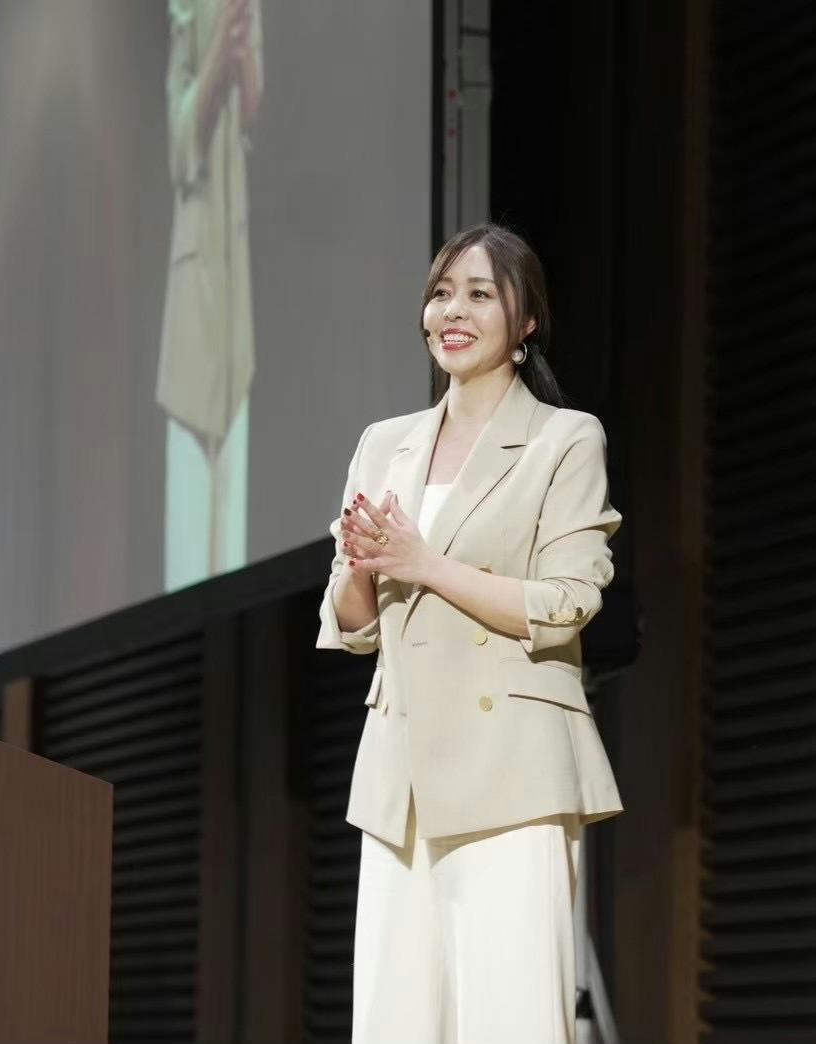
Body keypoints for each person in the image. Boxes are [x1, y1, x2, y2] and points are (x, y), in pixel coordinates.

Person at [316, 223, 624, 1043]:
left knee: (509, 1018)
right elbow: (353, 626)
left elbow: (567, 602)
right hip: (400, 777)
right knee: (394, 1021)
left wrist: (422, 563)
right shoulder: (385, 444)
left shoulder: (565, 438)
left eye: (480, 294)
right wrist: (360, 566)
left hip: (511, 768)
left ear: (526, 322)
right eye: (441, 293)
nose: (452, 311)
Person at [158, 0, 262, 590]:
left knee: (233, 539)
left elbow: (252, 112)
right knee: (189, 553)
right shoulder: (187, 13)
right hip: (195, 296)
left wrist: (241, 50)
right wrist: (220, 40)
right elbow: (181, 147)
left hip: (235, 300)